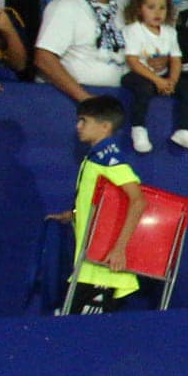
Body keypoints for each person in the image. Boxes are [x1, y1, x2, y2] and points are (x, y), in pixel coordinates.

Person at [47, 95, 146, 315]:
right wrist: (74, 214)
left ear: (104, 126)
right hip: (90, 265)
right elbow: (101, 202)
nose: (78, 126)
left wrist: (119, 249)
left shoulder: (110, 159)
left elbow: (138, 201)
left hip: (104, 269)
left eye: (84, 121)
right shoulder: (93, 158)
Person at [33, 0, 128, 102]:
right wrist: (84, 98)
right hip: (69, 100)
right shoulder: (65, 5)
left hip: (116, 101)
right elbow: (44, 58)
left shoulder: (127, 6)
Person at [122, 0, 188, 154]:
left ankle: (183, 130)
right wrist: (158, 81)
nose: (157, 13)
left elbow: (176, 60)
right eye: (151, 7)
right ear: (139, 9)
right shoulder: (133, 30)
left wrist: (172, 81)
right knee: (144, 87)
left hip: (162, 77)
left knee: (187, 88)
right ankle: (138, 128)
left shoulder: (170, 32)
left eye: (162, 8)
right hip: (137, 75)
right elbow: (133, 61)